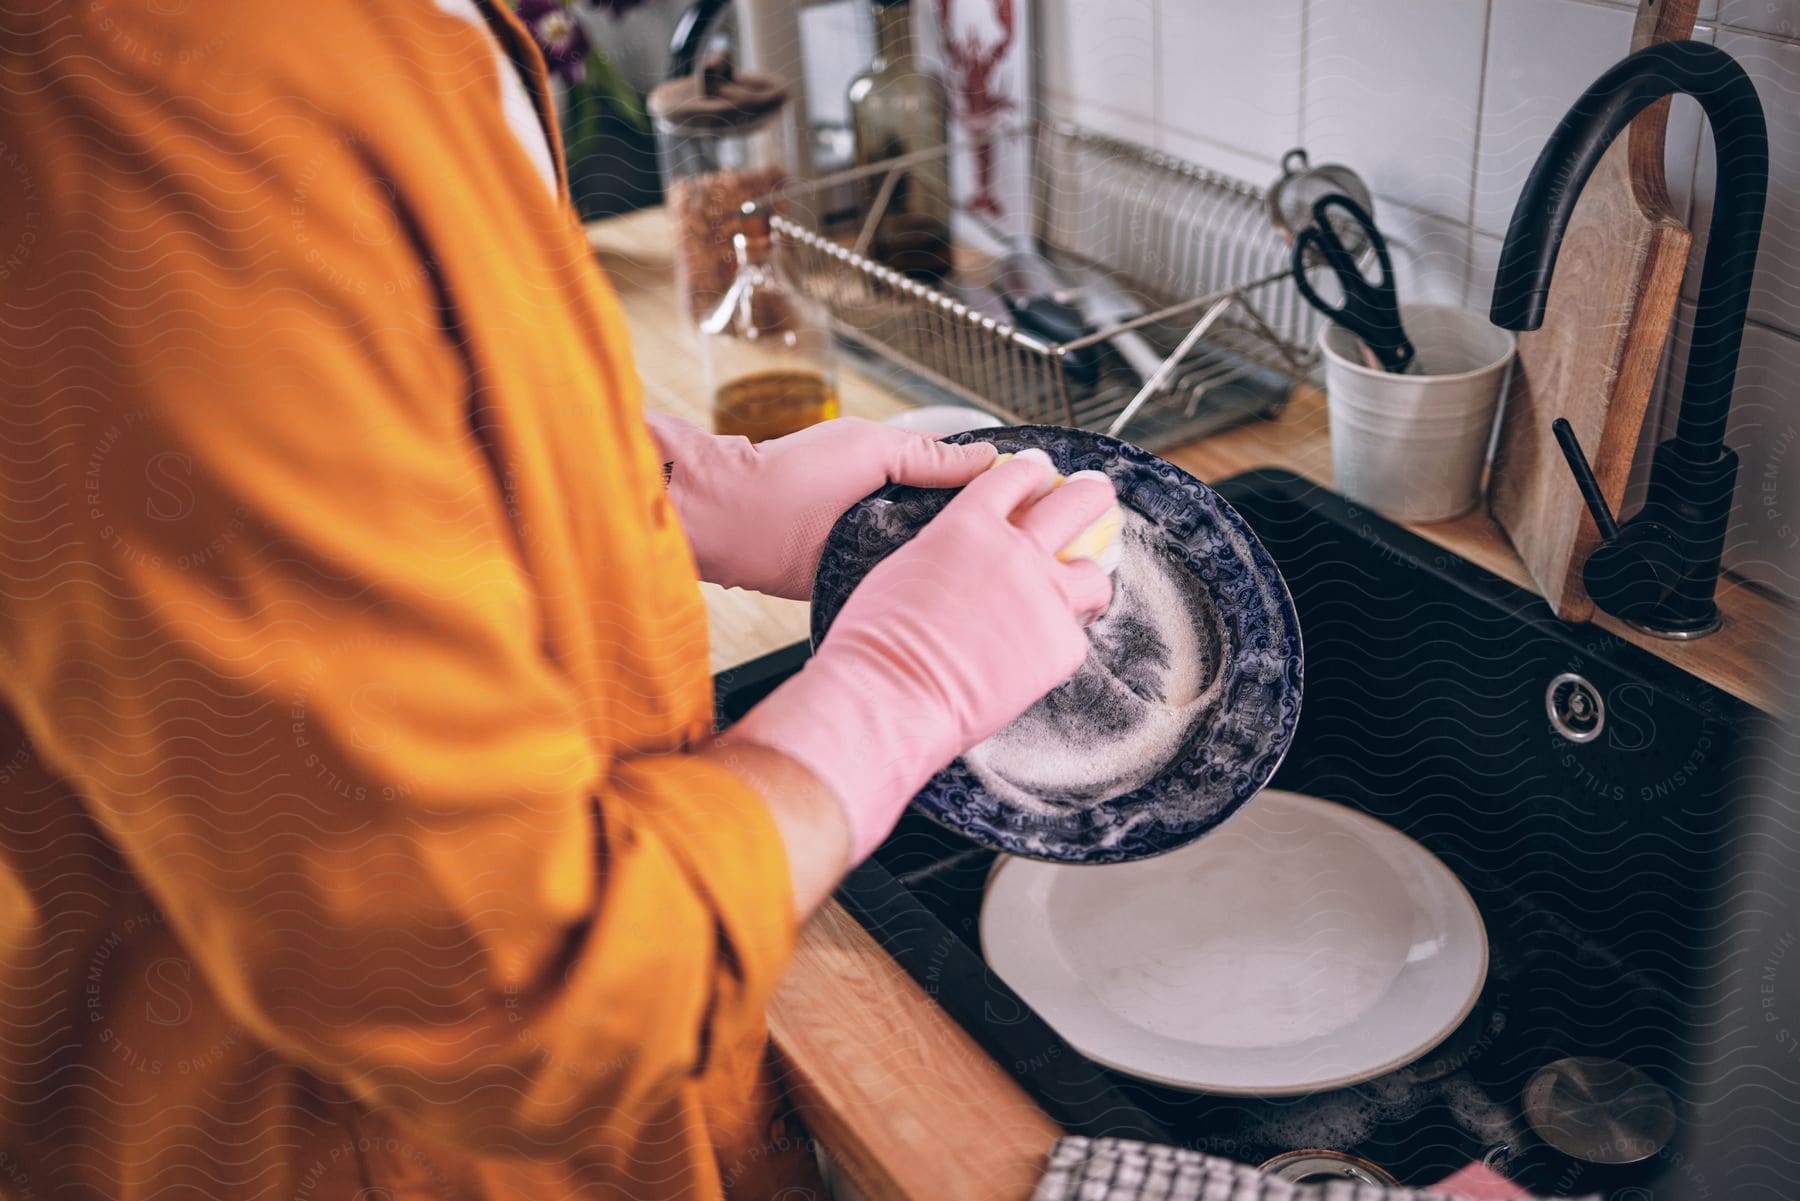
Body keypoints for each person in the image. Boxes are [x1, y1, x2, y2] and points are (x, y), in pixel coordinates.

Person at [0, 2, 1116, 1198]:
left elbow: (356, 408)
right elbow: (504, 991)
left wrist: (663, 488)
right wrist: (900, 690)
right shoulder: (156, 90)